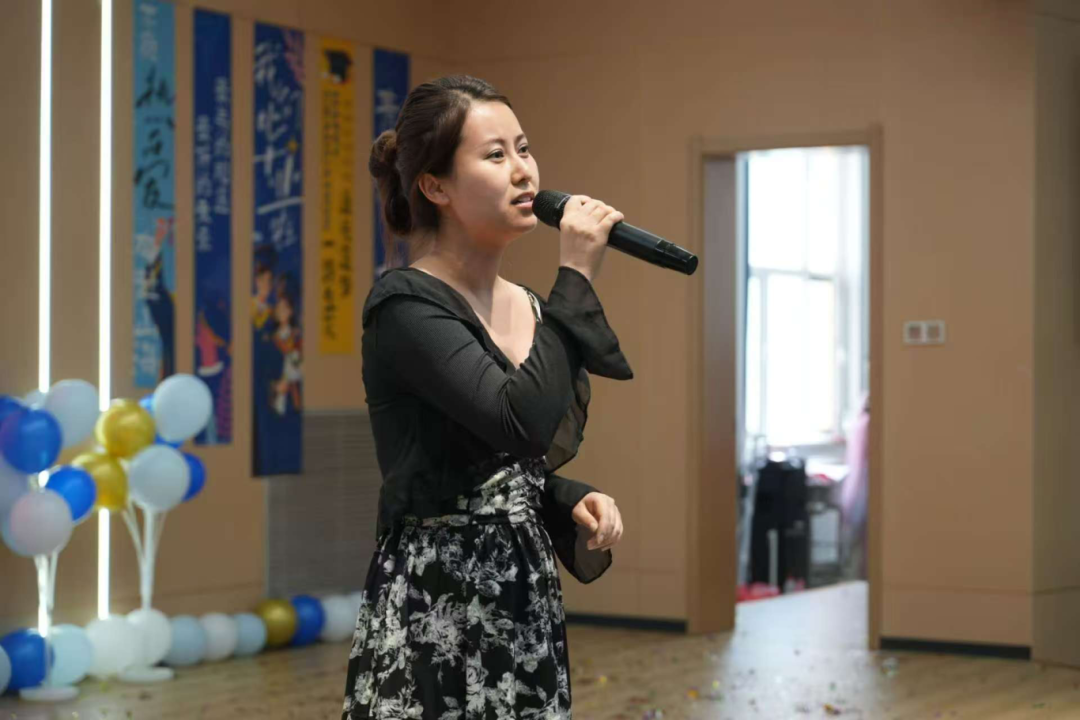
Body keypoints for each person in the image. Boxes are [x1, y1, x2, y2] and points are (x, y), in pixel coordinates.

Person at [342, 75, 632, 720]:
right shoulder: (406, 306)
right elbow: (515, 423)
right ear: (435, 187)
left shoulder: (532, 306)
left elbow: (496, 462)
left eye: (523, 148)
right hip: (436, 598)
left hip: (520, 592)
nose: (523, 171)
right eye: (495, 155)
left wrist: (564, 495)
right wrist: (577, 273)